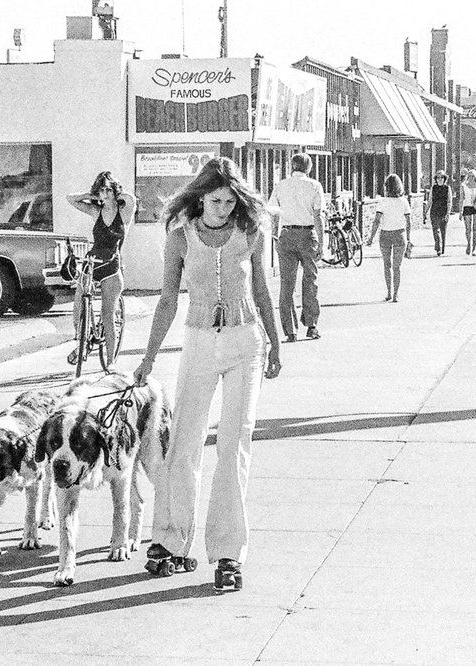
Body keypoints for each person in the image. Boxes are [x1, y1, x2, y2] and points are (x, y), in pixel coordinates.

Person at [134, 157, 281, 591]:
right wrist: (148, 358)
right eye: (216, 200)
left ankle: (228, 554)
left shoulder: (251, 233)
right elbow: (165, 302)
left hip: (244, 343)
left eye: (231, 200)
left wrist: (275, 341)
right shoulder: (179, 239)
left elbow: (261, 290)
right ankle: (169, 541)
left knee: (234, 445)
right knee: (184, 440)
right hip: (199, 341)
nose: (224, 208)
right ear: (200, 197)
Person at [66, 171, 136, 366]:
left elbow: (130, 199)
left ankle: (111, 364)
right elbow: (70, 199)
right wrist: (93, 196)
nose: (105, 193)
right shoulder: (96, 211)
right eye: (102, 189)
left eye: (108, 189)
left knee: (108, 316)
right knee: (78, 304)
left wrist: (114, 192)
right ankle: (82, 341)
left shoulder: (124, 212)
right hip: (92, 262)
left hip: (112, 265)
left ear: (114, 190)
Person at [268, 153, 324, 343]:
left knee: (287, 284)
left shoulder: (280, 185)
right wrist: (322, 242)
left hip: (286, 234)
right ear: (309, 168)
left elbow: (274, 214)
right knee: (310, 281)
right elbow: (318, 216)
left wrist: (276, 235)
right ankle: (312, 325)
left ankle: (290, 330)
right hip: (307, 234)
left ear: (292, 166)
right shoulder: (314, 186)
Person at [366, 173, 412, 302]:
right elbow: (409, 222)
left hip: (385, 234)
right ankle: (396, 294)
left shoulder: (382, 202)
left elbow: (376, 221)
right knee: (397, 267)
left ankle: (388, 292)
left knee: (387, 266)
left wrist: (371, 238)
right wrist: (408, 238)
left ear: (386, 187)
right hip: (399, 235)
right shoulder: (404, 201)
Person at [459, 170, 476, 256]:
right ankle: (469, 244)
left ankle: (474, 249)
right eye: (469, 176)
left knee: (475, 229)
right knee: (468, 229)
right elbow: (461, 199)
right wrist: (460, 211)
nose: (471, 178)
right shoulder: (463, 186)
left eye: (473, 176)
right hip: (467, 207)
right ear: (467, 177)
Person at [428, 170, 452, 256]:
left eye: (442, 177)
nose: (440, 179)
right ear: (436, 179)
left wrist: (448, 213)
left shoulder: (447, 188)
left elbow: (449, 201)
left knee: (443, 231)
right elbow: (430, 200)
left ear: (444, 178)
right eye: (438, 178)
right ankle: (438, 247)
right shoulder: (433, 188)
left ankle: (442, 248)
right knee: (435, 230)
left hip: (443, 211)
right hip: (434, 211)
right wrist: (425, 212)